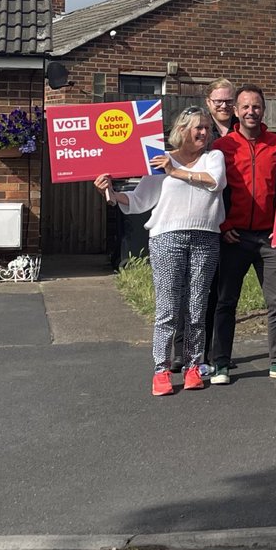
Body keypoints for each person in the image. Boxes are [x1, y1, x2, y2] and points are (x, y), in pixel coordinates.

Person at [95, 107, 225, 396]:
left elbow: (216, 182)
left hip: (206, 237)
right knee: (168, 308)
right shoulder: (159, 160)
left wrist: (174, 171)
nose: (204, 133)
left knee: (197, 308)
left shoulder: (213, 158)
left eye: (207, 127)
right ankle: (161, 370)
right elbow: (140, 200)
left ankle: (193, 365)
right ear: (182, 130)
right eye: (197, 128)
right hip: (167, 238)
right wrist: (110, 192)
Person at [208, 84, 276, 385]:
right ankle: (220, 362)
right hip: (233, 238)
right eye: (245, 106)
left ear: (263, 109)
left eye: (256, 106)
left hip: (269, 238)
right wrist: (223, 226)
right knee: (226, 301)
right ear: (235, 111)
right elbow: (213, 192)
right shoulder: (222, 148)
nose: (251, 111)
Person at [169, 78, 236, 373]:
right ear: (208, 102)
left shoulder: (245, 132)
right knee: (191, 293)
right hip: (195, 224)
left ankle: (215, 356)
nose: (224, 106)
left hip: (229, 225)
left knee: (219, 295)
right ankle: (185, 353)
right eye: (218, 101)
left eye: (228, 101)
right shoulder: (197, 135)